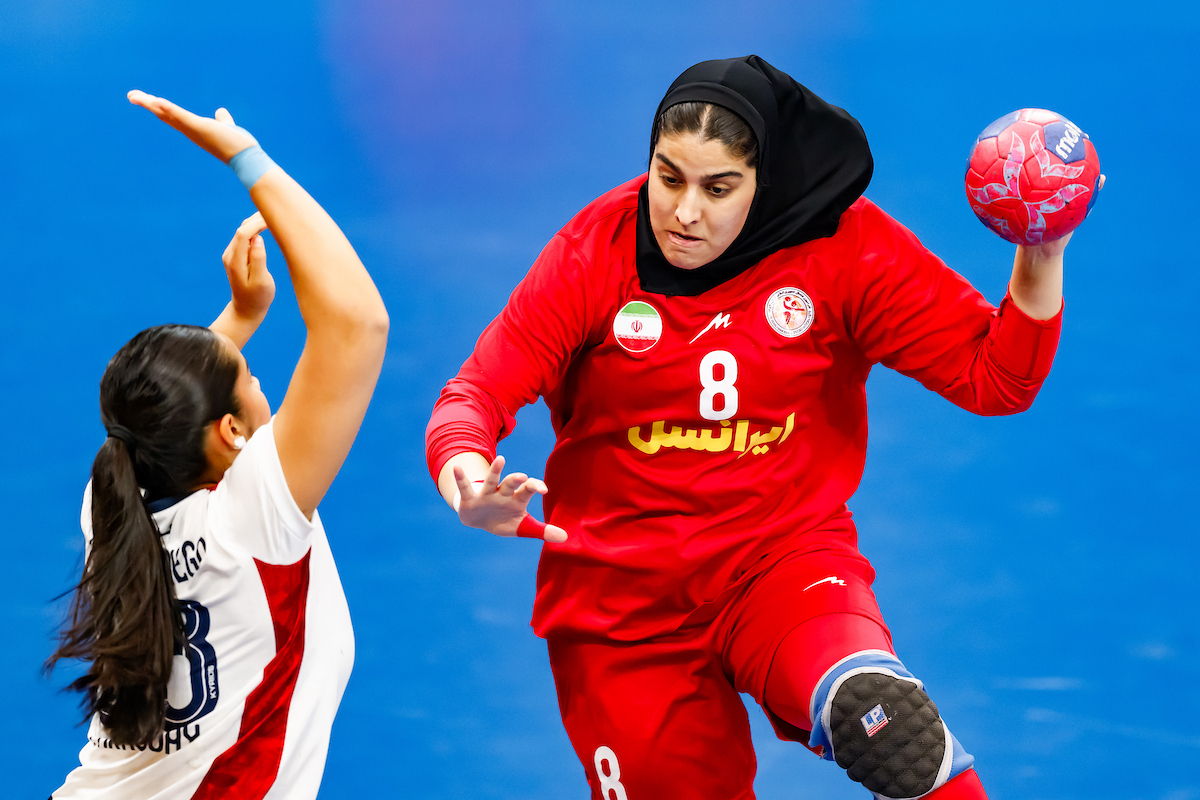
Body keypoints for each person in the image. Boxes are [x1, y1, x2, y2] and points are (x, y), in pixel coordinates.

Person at [427, 56, 1100, 799]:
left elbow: (995, 377)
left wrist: (1041, 252)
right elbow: (476, 394)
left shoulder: (842, 246)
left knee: (884, 721)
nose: (684, 212)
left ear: (765, 180)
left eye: (718, 188)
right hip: (621, 604)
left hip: (781, 561)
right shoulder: (594, 253)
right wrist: (466, 475)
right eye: (668, 177)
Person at [46, 91, 389, 799]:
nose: (263, 386)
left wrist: (240, 315)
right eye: (251, 380)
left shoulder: (113, 503)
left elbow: (160, 410)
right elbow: (357, 323)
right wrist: (246, 158)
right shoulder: (252, 518)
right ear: (231, 434)